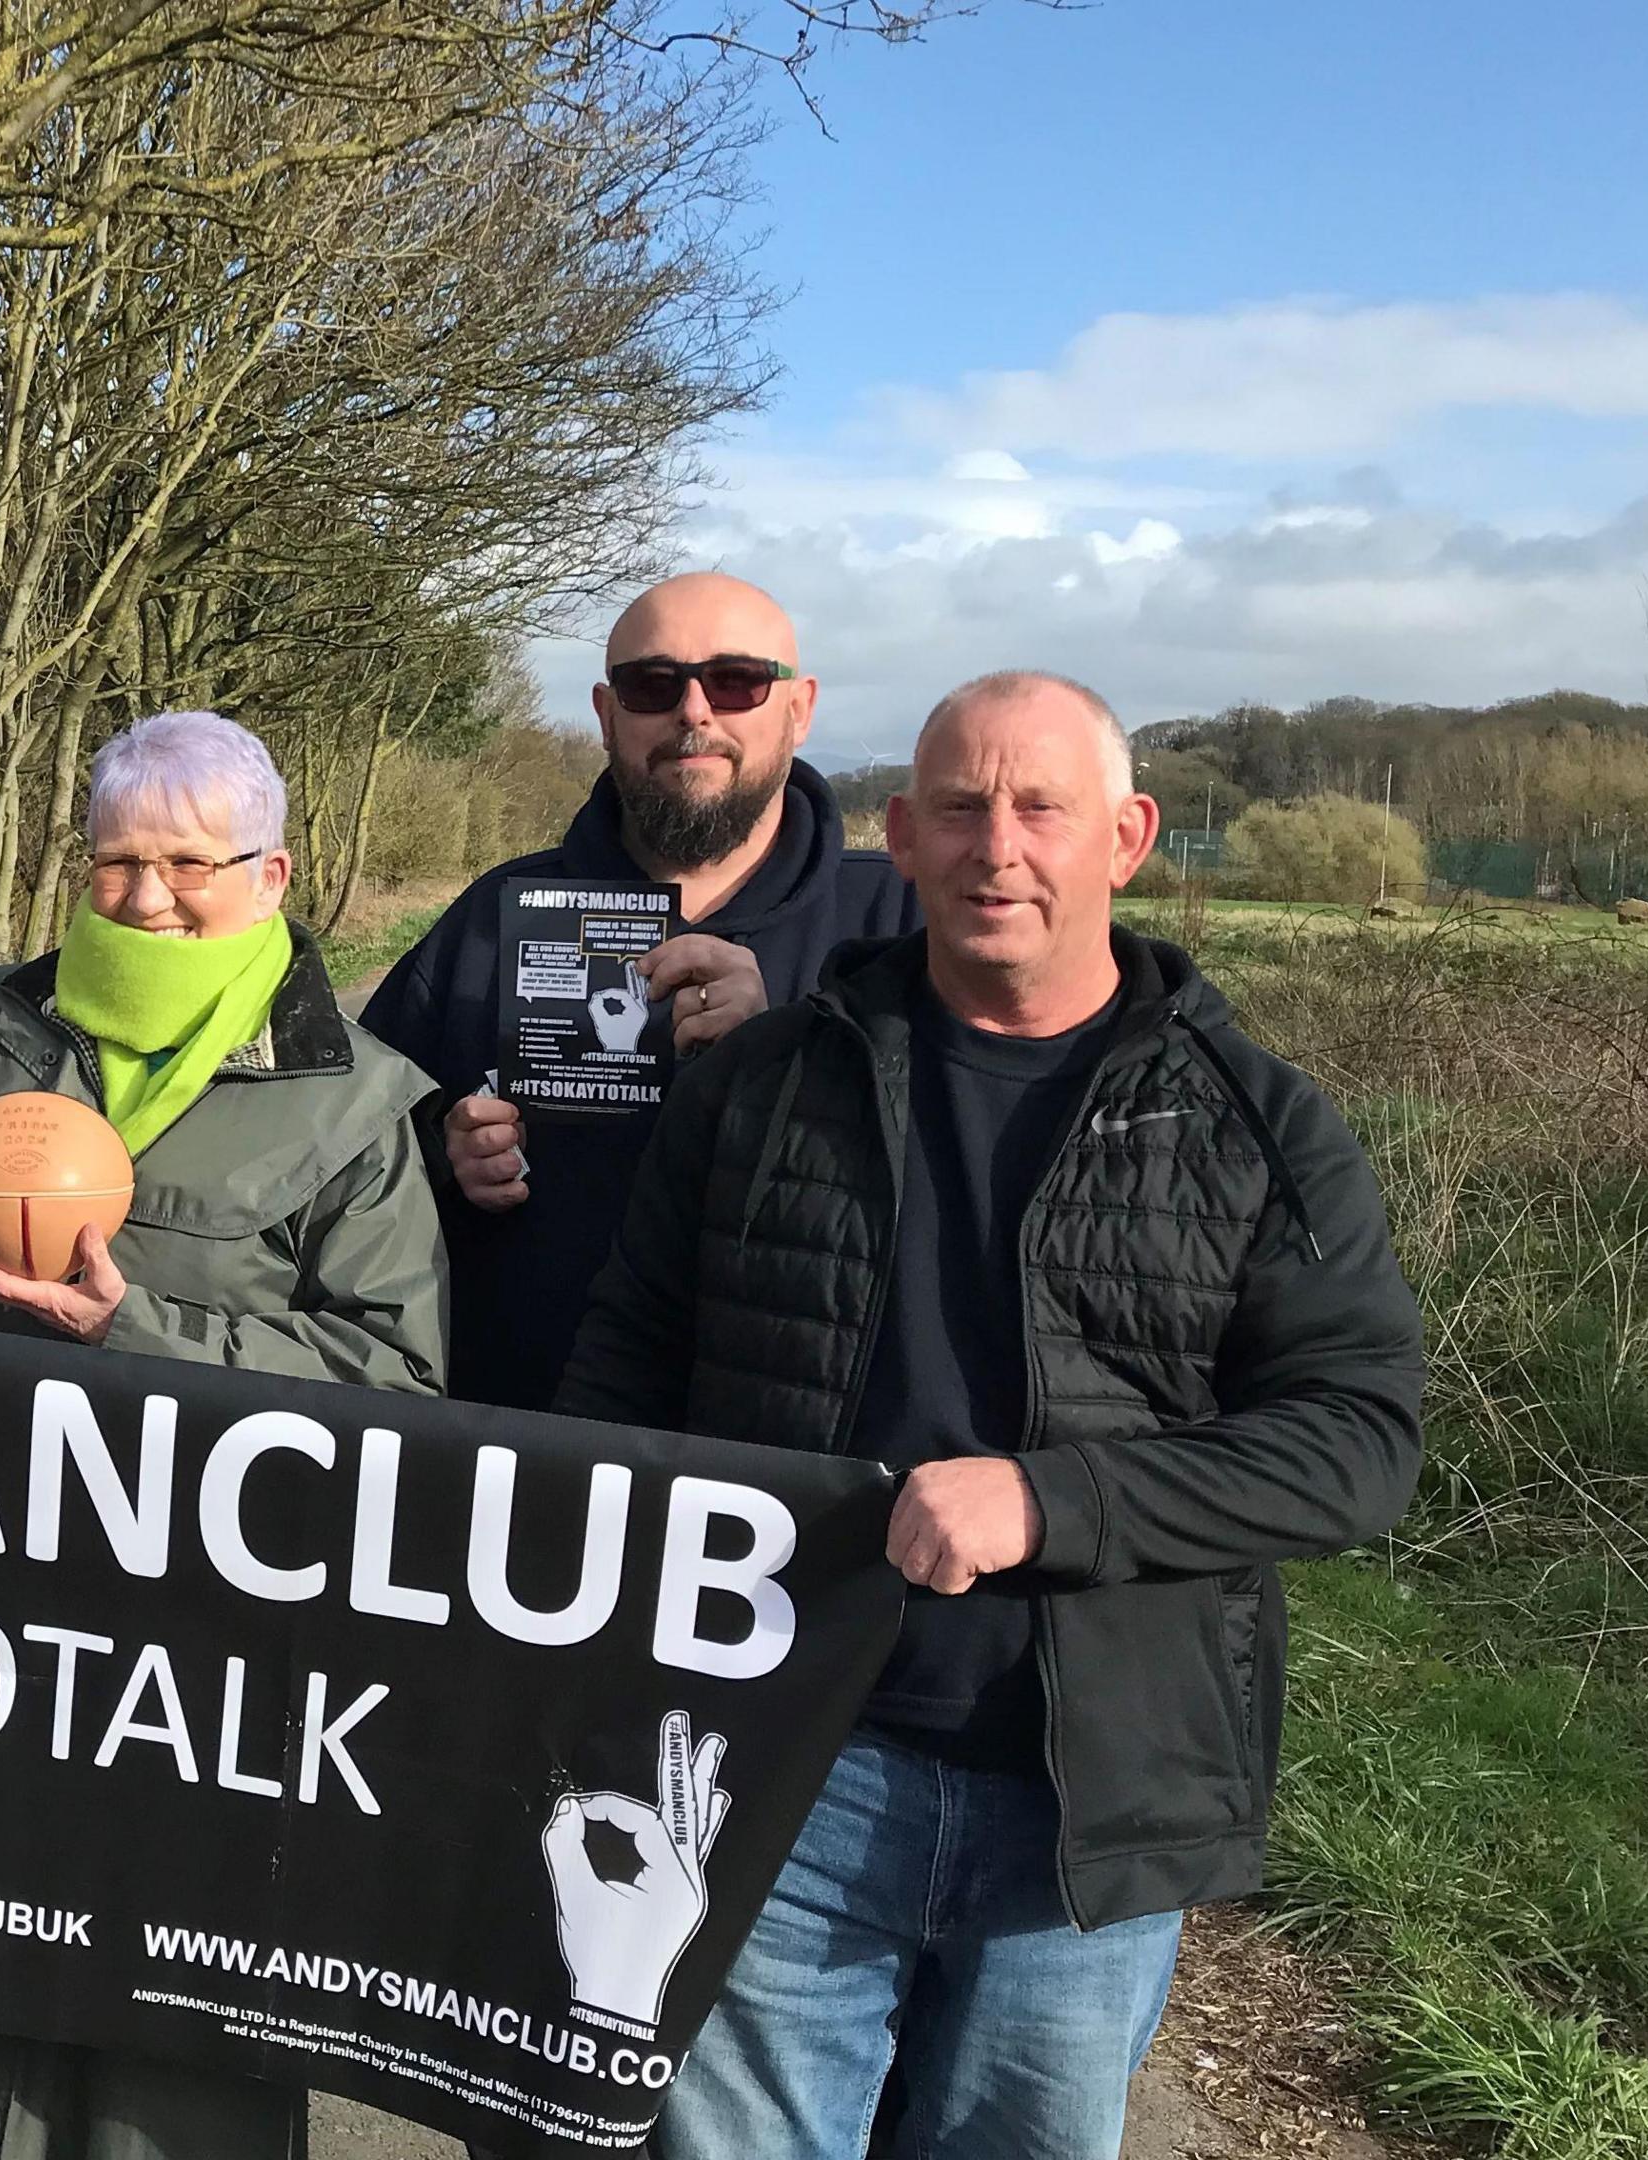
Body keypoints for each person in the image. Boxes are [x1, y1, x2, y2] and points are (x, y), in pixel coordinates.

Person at [557, 673, 1424, 2158]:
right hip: (780, 1762)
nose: (996, 846)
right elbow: (627, 1378)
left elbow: (1358, 1440)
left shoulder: (1253, 1122)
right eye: (958, 807)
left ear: (1128, 836)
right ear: (901, 833)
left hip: (1083, 1800)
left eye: (1041, 808)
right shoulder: (766, 1083)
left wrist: (1051, 1504)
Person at [0, 710, 447, 2160]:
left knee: (189, 2003)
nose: (148, 898)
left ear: (273, 876)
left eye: (188, 865)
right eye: (116, 863)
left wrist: (134, 1334)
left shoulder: (355, 1098)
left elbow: (396, 1381)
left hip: (218, 1629)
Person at [360, 572, 915, 1411]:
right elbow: (355, 1156)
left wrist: (790, 1053)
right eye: (652, 685)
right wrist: (443, 1152)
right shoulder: (494, 916)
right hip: (537, 1445)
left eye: (736, 683)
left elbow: (977, 1180)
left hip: (801, 1474)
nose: (693, 712)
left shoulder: (901, 922)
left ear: (799, 709)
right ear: (607, 713)